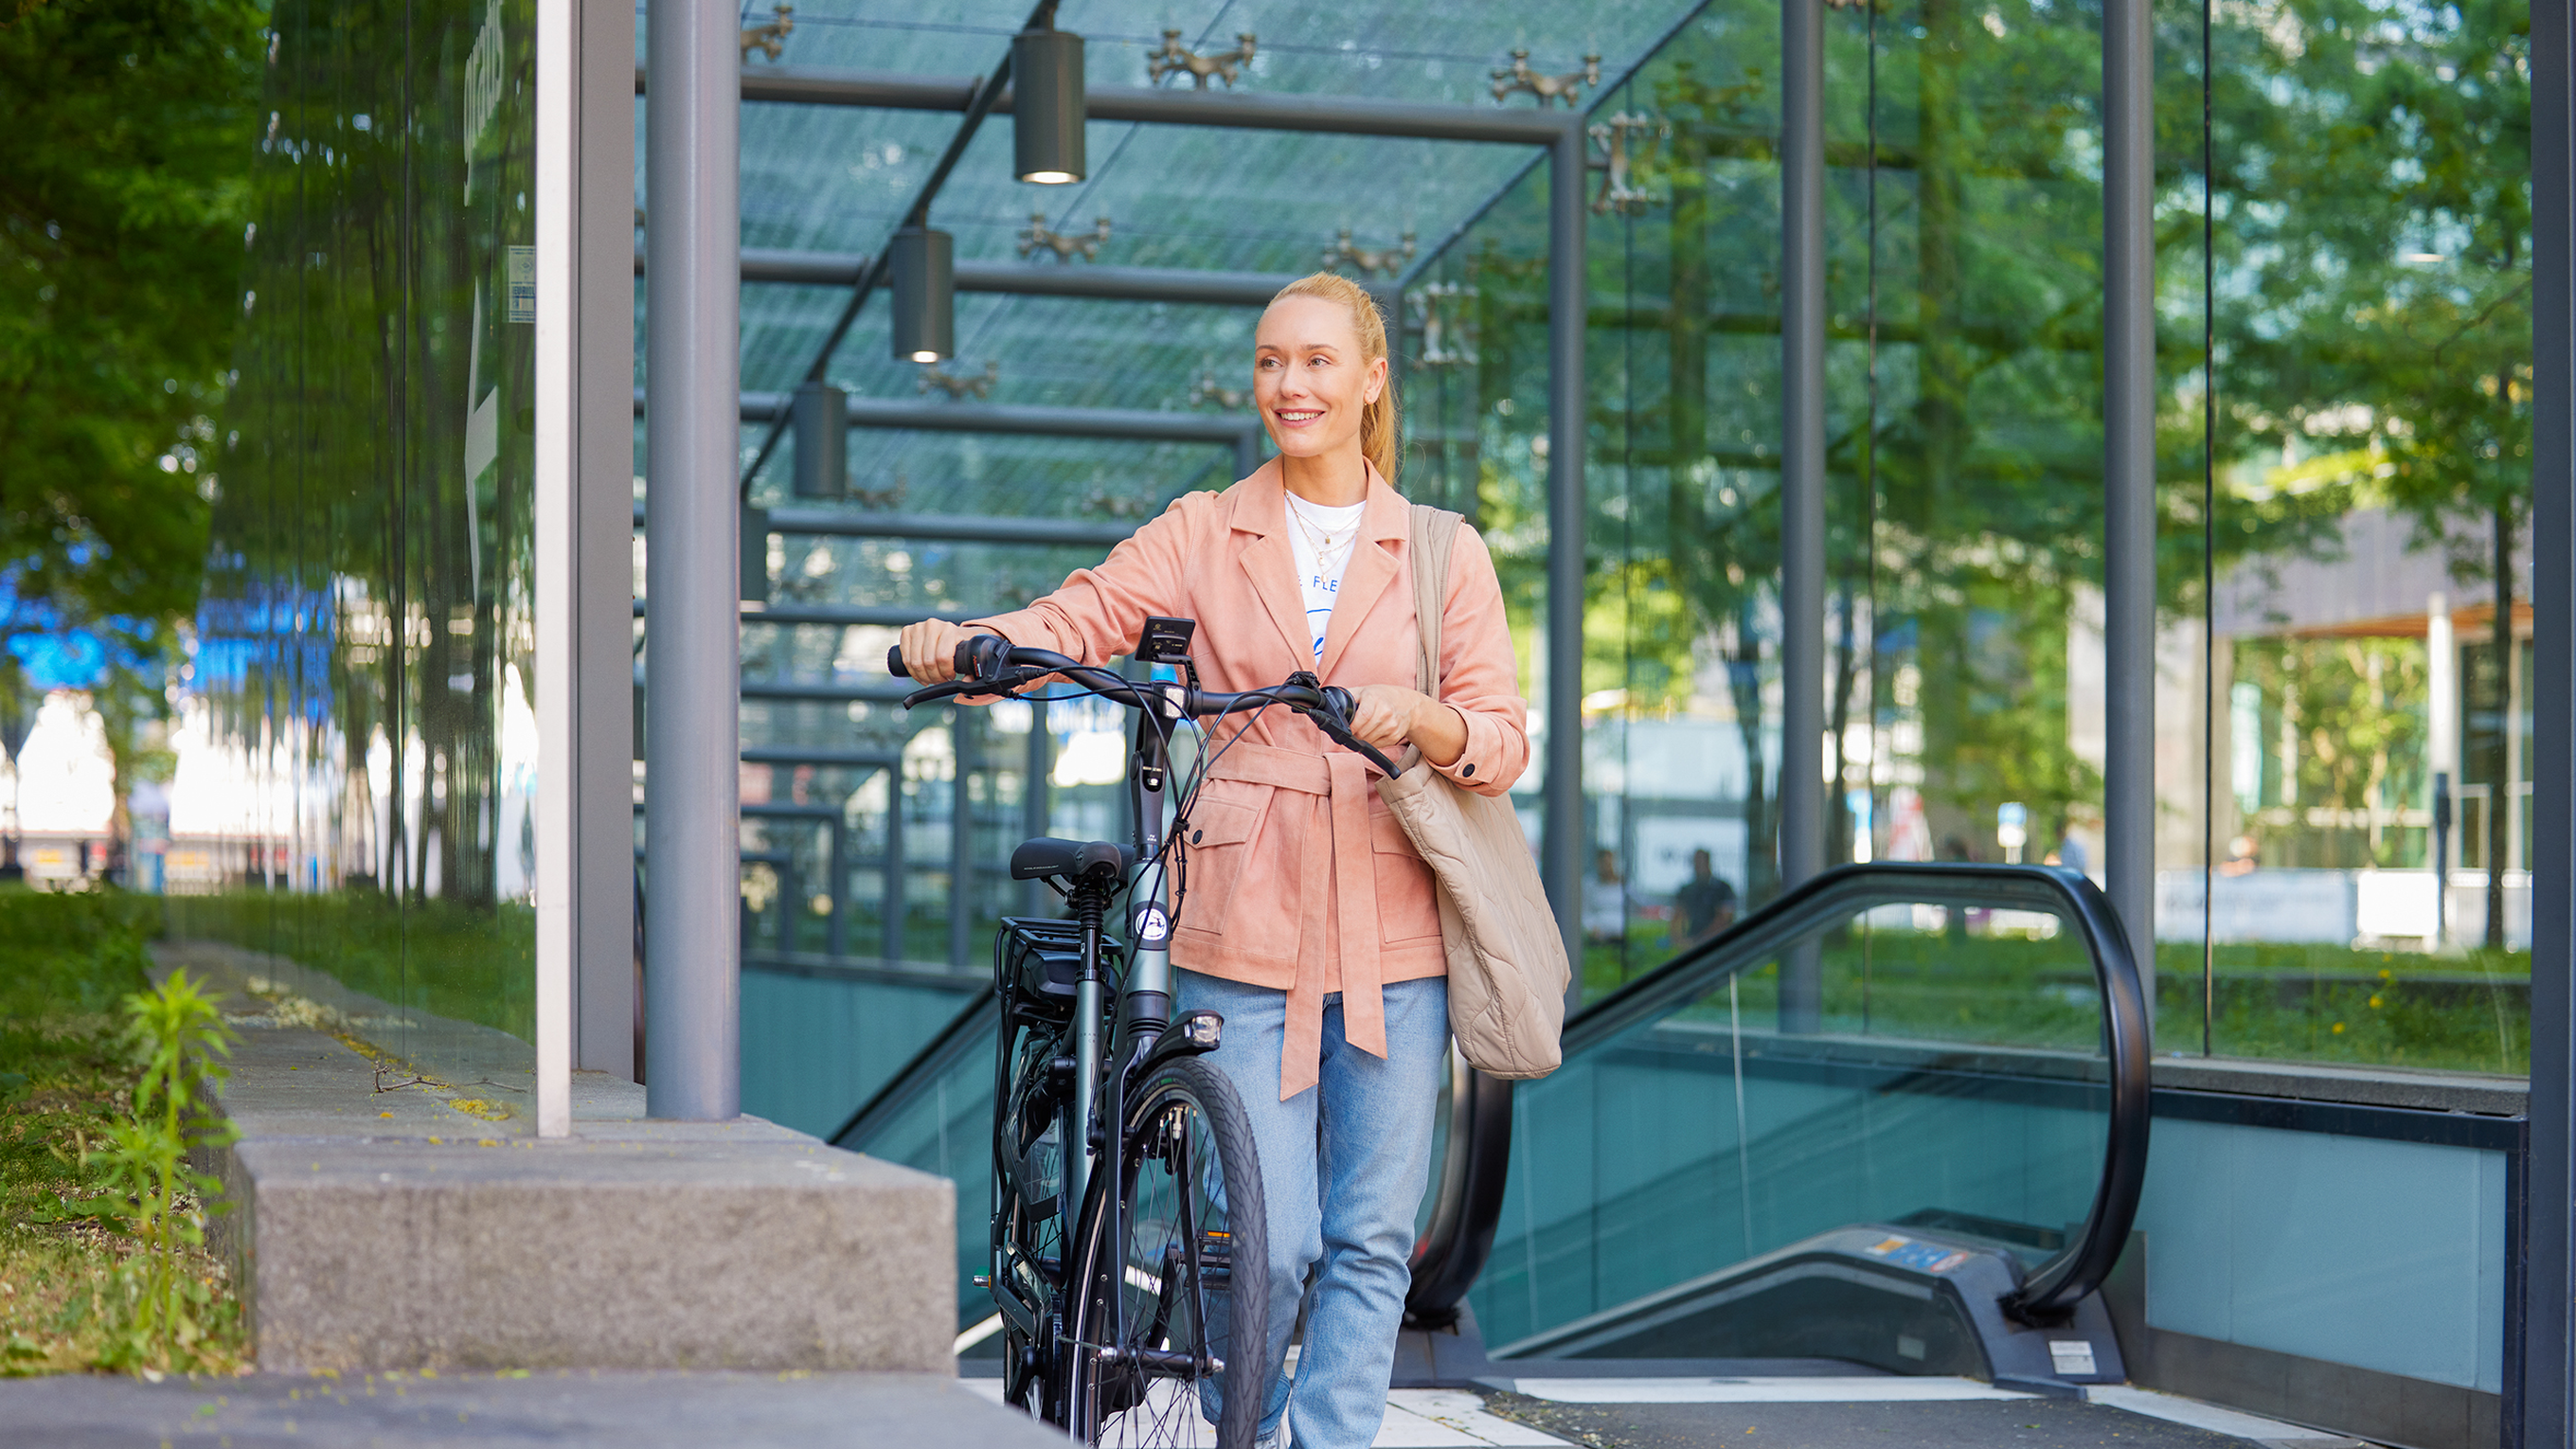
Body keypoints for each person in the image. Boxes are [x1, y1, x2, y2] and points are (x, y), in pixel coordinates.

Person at [897, 272, 1528, 1449]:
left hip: (1394, 933)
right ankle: (1253, 1423)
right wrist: (973, 643)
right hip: (1242, 919)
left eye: (1318, 361)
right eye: (1271, 361)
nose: (1290, 384)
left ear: (1371, 379)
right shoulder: (1205, 527)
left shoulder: (1444, 552)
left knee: (1374, 1238)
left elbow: (1498, 737)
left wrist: (1417, 719)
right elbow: (1083, 615)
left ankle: (1317, 1441)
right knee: (1269, 1237)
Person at [1668, 848, 1738, 948]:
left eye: (1701, 861)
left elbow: (1725, 919)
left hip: (1718, 944)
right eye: (1695, 862)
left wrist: (1702, 939)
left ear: (1708, 862)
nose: (1697, 866)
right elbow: (1677, 916)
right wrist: (1680, 942)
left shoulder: (1723, 888)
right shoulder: (1687, 890)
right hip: (1692, 944)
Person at [1583, 848, 1629, 942]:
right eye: (1603, 864)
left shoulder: (1624, 885)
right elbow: (1584, 911)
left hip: (1622, 936)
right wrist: (1592, 929)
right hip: (1599, 936)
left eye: (1609, 864)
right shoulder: (1589, 885)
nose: (1607, 867)